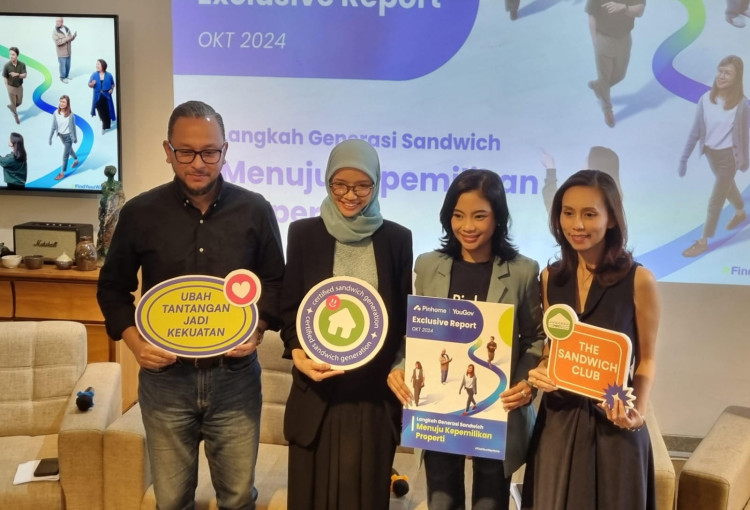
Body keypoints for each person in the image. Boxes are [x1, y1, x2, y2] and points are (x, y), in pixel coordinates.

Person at [97, 100, 284, 510]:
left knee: (238, 499)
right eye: (186, 152)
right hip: (166, 381)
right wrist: (136, 344)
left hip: (235, 380)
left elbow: (275, 283)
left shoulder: (255, 210)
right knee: (171, 501)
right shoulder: (140, 213)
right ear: (168, 151)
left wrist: (257, 329)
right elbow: (111, 289)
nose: (198, 163)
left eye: (209, 152)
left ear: (225, 151)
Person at [387, 169, 545, 510]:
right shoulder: (428, 265)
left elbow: (535, 339)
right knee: (441, 501)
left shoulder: (523, 271)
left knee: (490, 501)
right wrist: (400, 366)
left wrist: (524, 384)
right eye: (458, 215)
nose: (467, 226)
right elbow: (415, 333)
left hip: (495, 411)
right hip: (438, 412)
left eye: (479, 216)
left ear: (498, 218)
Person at [280, 138, 412, 510]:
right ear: (327, 181)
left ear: (376, 183)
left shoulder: (397, 239)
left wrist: (401, 365)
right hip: (317, 395)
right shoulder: (303, 234)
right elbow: (291, 310)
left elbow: (404, 319)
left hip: (372, 401)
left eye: (362, 186)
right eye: (340, 184)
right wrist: (296, 350)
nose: (350, 195)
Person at [521, 169, 660, 510]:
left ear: (611, 218)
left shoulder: (639, 279)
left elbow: (647, 360)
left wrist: (637, 415)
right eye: (568, 213)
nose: (577, 225)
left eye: (589, 214)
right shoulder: (551, 277)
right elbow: (553, 348)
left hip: (614, 425)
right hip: (558, 422)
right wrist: (540, 370)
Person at [678, 55, 748, 257]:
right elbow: (696, 131)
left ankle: (703, 241)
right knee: (728, 187)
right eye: (720, 71)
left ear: (736, 78)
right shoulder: (706, 99)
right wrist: (684, 158)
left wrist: (744, 160)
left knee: (715, 200)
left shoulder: (742, 104)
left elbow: (744, 136)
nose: (722, 76)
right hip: (711, 154)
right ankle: (741, 213)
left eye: (728, 73)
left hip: (729, 158)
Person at [586, 0, 645, 127]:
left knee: (620, 75)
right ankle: (607, 110)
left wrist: (623, 8)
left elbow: (640, 11)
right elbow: (592, 15)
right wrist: (595, 41)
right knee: (604, 77)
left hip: (624, 38)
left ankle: (598, 86)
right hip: (604, 39)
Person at [541, 146, 622, 213]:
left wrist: (550, 169)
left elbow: (555, 211)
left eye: (586, 160)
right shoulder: (613, 199)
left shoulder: (589, 196)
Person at [49, 95, 79, 180]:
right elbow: (53, 126)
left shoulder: (71, 115)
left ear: (67, 104)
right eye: (60, 101)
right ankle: (76, 160)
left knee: (65, 155)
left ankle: (62, 173)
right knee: (70, 150)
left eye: (64, 102)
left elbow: (73, 128)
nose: (61, 103)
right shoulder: (56, 113)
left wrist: (75, 138)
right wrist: (50, 137)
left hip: (68, 137)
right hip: (61, 135)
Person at [88, 58, 116, 134]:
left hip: (106, 96)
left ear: (103, 65)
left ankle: (104, 127)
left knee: (107, 110)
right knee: (100, 111)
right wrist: (92, 84)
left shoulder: (109, 75)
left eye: (98, 64)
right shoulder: (94, 75)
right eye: (96, 64)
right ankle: (104, 122)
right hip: (97, 96)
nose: (97, 66)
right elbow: (89, 84)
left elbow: (112, 84)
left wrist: (111, 89)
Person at [3, 47, 26, 125]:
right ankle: (16, 116)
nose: (11, 56)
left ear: (17, 55)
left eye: (13, 54)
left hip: (19, 87)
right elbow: (5, 77)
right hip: (11, 88)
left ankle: (11, 107)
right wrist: (7, 87)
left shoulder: (22, 65)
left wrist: (17, 75)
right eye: (10, 54)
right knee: (13, 103)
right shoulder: (7, 66)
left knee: (19, 102)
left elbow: (24, 75)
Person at [52, 17, 77, 82]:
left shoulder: (67, 29)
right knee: (62, 66)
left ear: (62, 22)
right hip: (61, 53)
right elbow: (58, 42)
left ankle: (66, 75)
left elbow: (70, 39)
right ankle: (62, 78)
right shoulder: (55, 32)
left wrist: (73, 37)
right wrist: (67, 39)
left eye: (59, 21)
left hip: (68, 52)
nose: (57, 23)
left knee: (68, 65)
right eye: (56, 21)